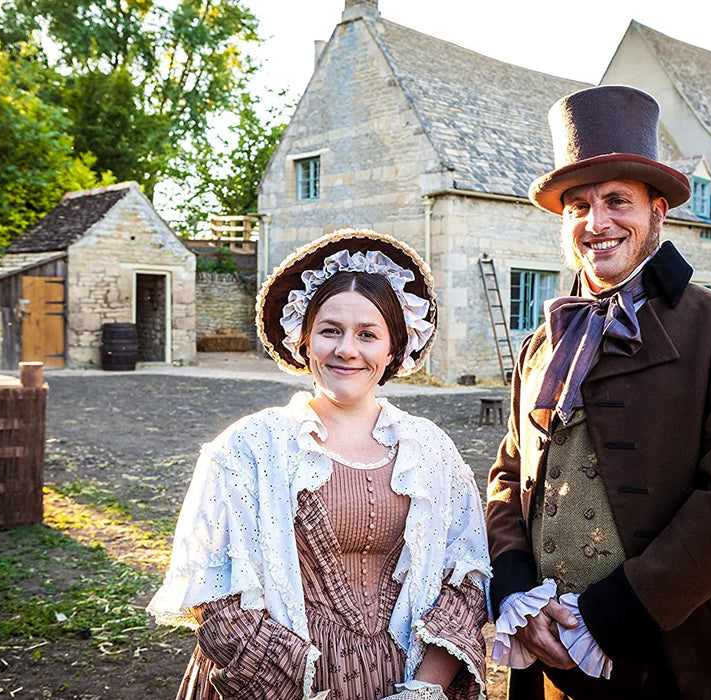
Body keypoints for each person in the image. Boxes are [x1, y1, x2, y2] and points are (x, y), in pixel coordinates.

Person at [485, 85, 711, 698]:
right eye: (578, 205)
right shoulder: (540, 345)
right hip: (543, 654)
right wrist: (515, 587)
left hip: (669, 653)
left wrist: (604, 619)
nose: (597, 223)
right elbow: (510, 476)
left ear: (657, 212)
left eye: (618, 200)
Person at [148, 228, 491, 700]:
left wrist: (424, 689)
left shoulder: (432, 451)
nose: (347, 349)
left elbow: (464, 581)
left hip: (407, 681)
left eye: (367, 334)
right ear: (304, 341)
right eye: (331, 331)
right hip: (273, 687)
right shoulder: (248, 449)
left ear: (393, 349)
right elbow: (219, 599)